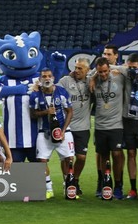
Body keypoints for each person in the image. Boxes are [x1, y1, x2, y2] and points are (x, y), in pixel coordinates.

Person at [113, 53, 138, 198]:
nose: (132, 70)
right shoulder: (125, 73)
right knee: (130, 153)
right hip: (127, 120)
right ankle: (133, 189)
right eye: (129, 67)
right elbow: (106, 66)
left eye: (134, 68)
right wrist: (122, 68)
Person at [30, 68, 74, 199]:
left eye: (49, 76)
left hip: (63, 132)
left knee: (69, 159)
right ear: (40, 79)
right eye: (44, 76)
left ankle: (68, 187)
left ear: (53, 78)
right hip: (44, 132)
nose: (47, 78)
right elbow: (33, 114)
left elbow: (70, 111)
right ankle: (49, 189)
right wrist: (45, 112)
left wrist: (64, 130)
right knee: (42, 161)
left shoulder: (61, 92)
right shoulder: (35, 95)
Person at [57, 58, 93, 196]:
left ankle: (75, 179)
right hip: (68, 126)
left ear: (87, 70)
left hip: (83, 126)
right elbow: (54, 90)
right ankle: (67, 182)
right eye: (76, 67)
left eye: (80, 69)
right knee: (67, 157)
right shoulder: (66, 80)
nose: (76, 71)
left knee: (81, 157)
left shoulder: (90, 81)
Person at [91, 56, 126, 199]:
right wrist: (93, 77)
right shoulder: (92, 81)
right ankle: (104, 184)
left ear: (109, 69)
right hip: (100, 126)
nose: (103, 74)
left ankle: (118, 186)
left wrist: (118, 69)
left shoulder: (119, 77)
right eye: (100, 72)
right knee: (103, 156)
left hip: (116, 125)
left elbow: (133, 69)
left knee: (117, 154)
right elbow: (78, 74)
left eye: (105, 71)